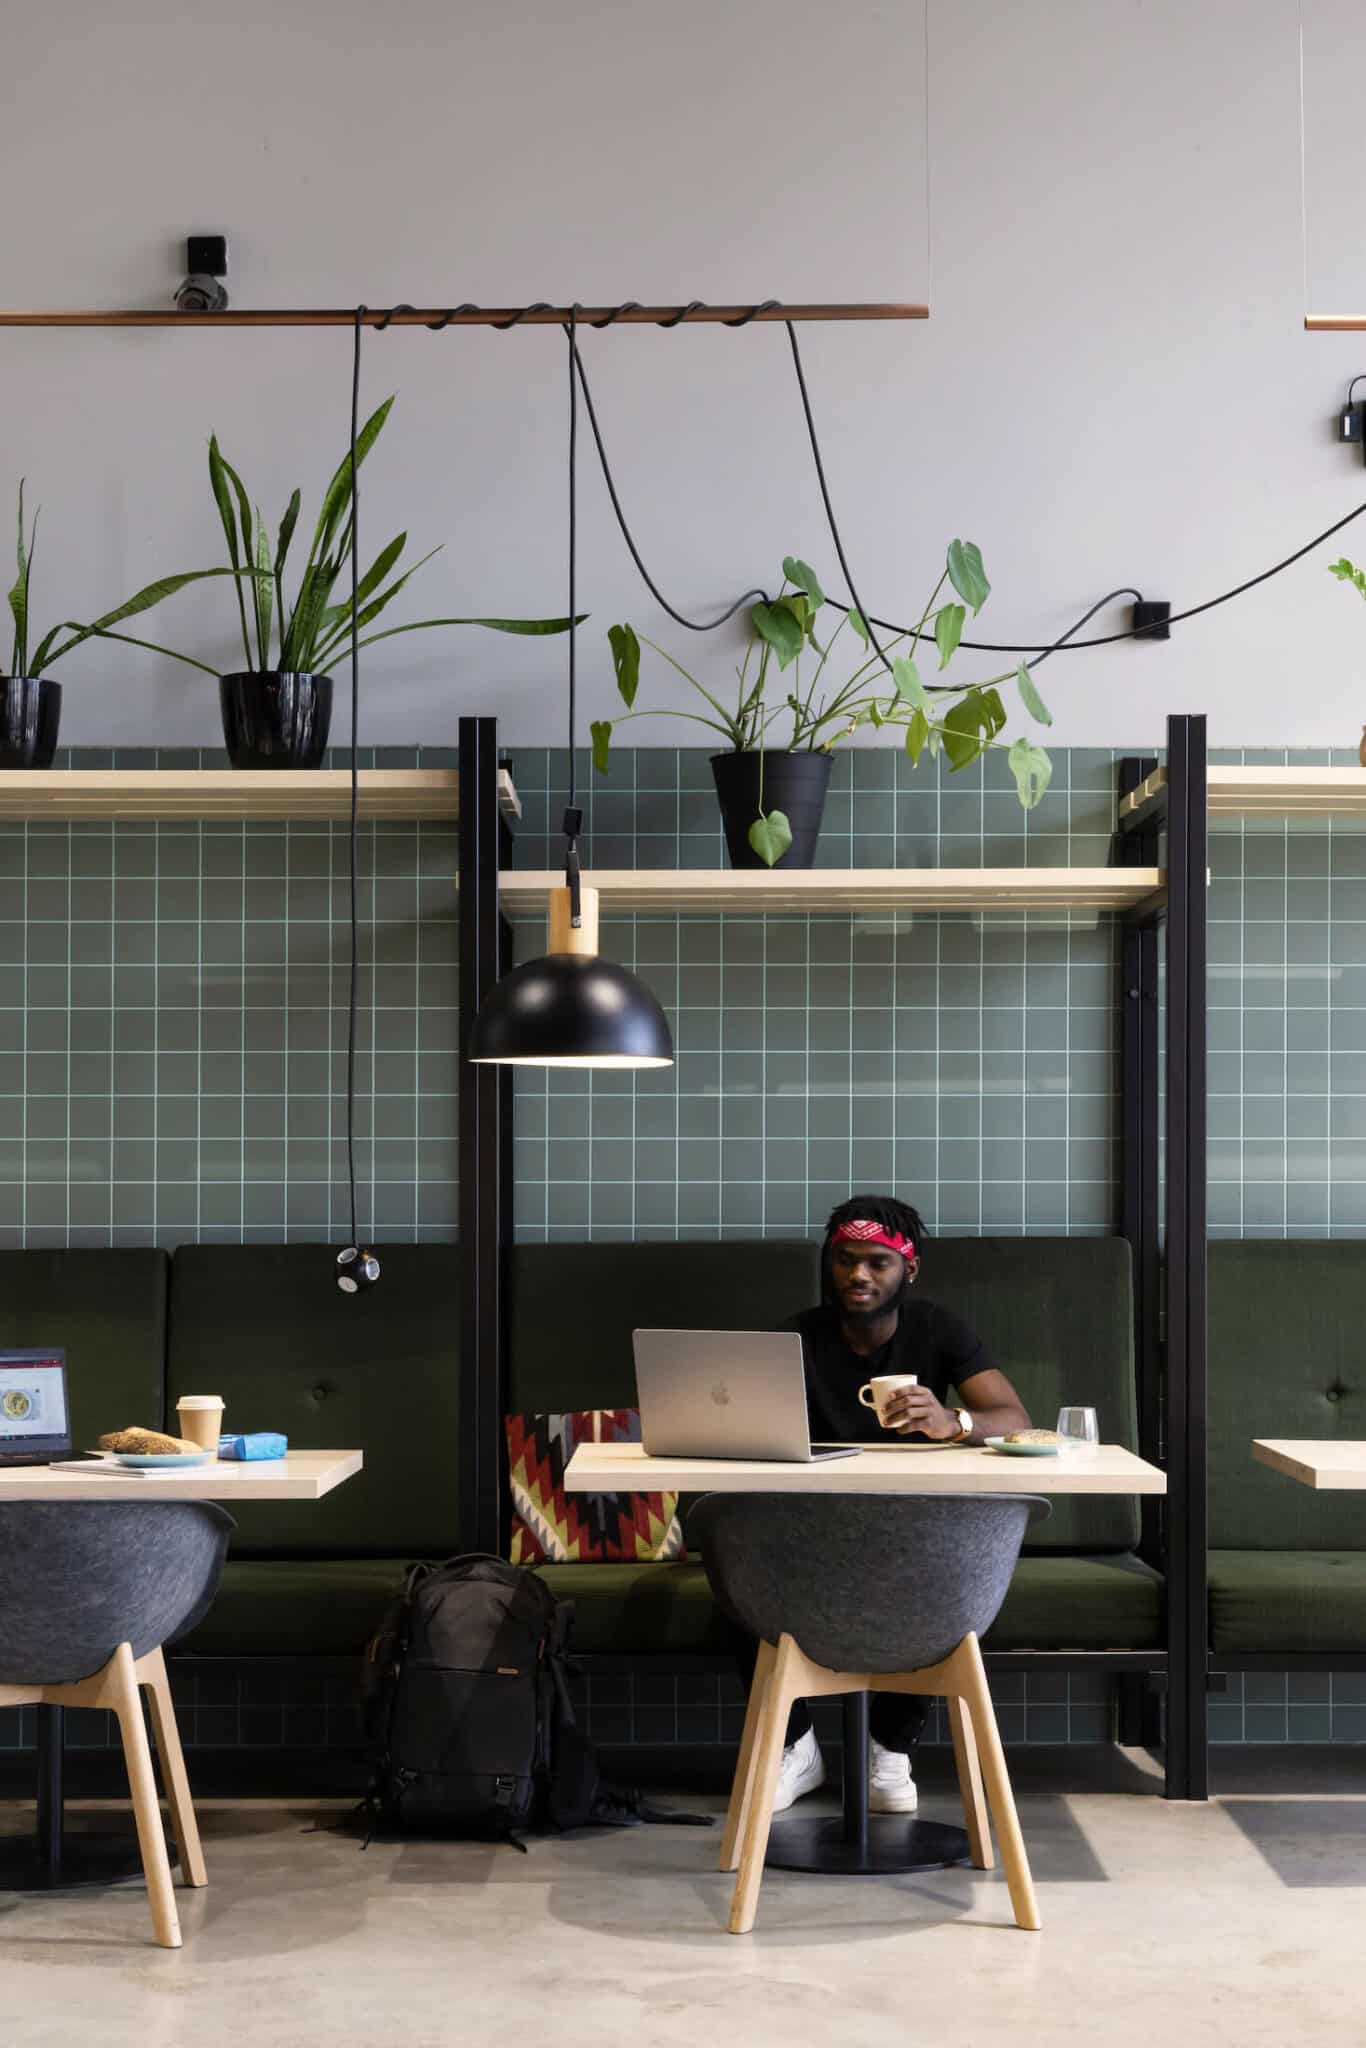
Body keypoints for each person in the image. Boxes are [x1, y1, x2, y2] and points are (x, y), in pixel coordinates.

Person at [751, 1193, 1032, 1817]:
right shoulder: (793, 1337)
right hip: (814, 1525)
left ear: (910, 1268)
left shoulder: (939, 1329)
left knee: (942, 1575)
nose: (859, 1275)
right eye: (847, 1260)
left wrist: (953, 1419)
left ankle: (889, 1747)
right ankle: (796, 1748)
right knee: (732, 1566)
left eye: (878, 1262)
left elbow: (1014, 1418)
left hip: (914, 1527)